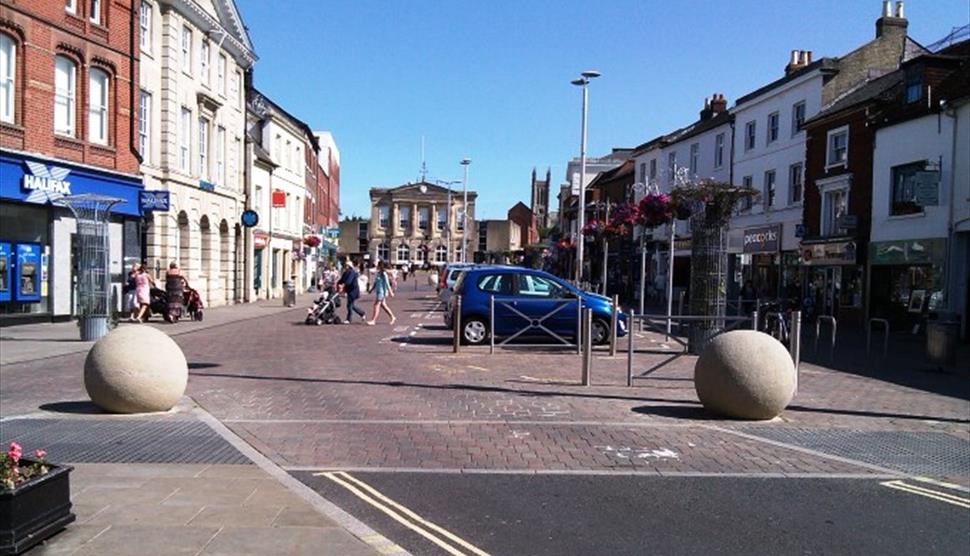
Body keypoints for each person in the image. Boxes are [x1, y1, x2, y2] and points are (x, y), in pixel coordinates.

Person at [366, 261, 396, 326]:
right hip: (378, 291)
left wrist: (390, 292)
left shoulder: (384, 274)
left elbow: (387, 283)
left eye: (377, 265)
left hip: (382, 292)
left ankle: (373, 320)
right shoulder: (378, 273)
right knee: (383, 306)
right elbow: (375, 282)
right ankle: (392, 317)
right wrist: (371, 289)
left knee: (376, 305)